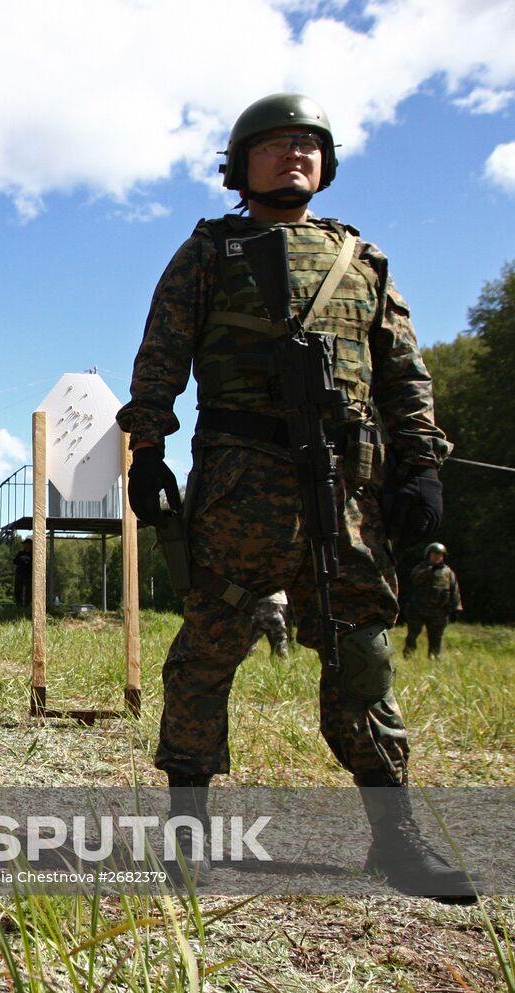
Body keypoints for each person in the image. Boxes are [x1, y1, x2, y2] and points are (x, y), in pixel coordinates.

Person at [116, 93, 471, 900]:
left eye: (308, 144)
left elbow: (404, 375)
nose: (294, 154)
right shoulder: (209, 252)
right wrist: (149, 450)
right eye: (275, 144)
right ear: (240, 166)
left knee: (362, 656)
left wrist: (422, 466)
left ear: (326, 162)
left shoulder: (362, 260)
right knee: (207, 650)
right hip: (241, 487)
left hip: (347, 495)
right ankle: (187, 838)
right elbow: (161, 355)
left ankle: (396, 838)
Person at [404, 542, 462, 659]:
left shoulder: (448, 572)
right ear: (428, 555)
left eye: (440, 555)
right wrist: (429, 571)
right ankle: (408, 656)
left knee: (436, 638)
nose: (437, 557)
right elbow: (414, 579)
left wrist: (457, 608)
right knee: (412, 635)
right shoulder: (421, 568)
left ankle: (434, 660)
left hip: (439, 612)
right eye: (434, 554)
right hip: (418, 610)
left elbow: (455, 590)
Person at [247, 591, 290, 657]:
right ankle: (280, 661)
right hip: (279, 601)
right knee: (280, 645)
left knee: (248, 641)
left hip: (259, 601)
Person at [13, 538, 34, 608]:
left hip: (28, 574)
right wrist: (21, 562)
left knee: (28, 590)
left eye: (27, 544)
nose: (25, 545)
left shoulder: (33, 554)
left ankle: (27, 604)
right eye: (24, 544)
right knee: (18, 589)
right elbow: (15, 561)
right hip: (19, 573)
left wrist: (27, 563)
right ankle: (19, 603)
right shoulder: (20, 553)